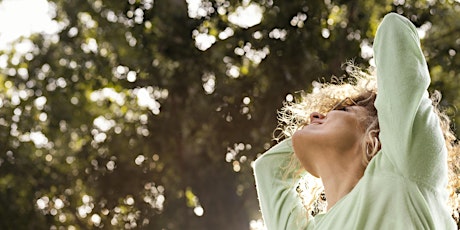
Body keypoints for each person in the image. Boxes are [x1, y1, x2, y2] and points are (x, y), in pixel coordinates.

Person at [253, 12, 459, 229]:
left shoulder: (402, 167)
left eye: (342, 109)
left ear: (377, 133)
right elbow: (268, 169)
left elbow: (394, 31)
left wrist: (312, 141)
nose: (315, 116)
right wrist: (309, 140)